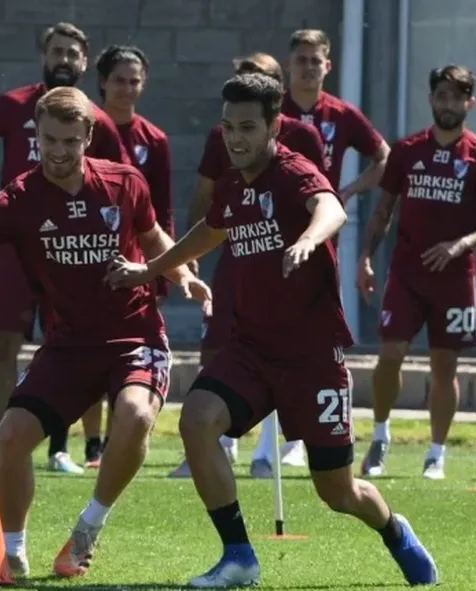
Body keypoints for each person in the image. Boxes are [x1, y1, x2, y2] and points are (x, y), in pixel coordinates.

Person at [106, 73, 437, 588]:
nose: (235, 139)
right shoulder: (235, 182)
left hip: (312, 356)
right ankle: (238, 556)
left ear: (274, 126)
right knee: (196, 420)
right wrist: (150, 269)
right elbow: (210, 231)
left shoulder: (293, 171)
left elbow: (329, 208)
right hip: (252, 349)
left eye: (246, 128)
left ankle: (395, 530)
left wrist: (307, 240)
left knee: (338, 492)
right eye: (227, 127)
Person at [0, 86, 208, 579]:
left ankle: (87, 529)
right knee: (14, 434)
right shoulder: (17, 199)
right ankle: (12, 549)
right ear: (35, 136)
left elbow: (152, 239)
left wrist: (182, 272)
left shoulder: (124, 183)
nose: (57, 151)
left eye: (69, 140)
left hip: (135, 336)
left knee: (134, 414)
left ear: (89, 136)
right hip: (68, 345)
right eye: (47, 139)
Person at [0, 21, 130, 475]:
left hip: (71, 245)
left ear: (85, 62)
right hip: (17, 243)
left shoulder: (95, 119)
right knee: (4, 342)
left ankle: (59, 447)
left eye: (73, 53)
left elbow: (122, 183)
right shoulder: (12, 105)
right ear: (44, 56)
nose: (64, 59)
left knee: (67, 340)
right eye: (56, 51)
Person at [170, 52, 325, 479]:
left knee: (278, 352)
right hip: (237, 255)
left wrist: (309, 240)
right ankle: (220, 440)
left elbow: (321, 200)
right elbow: (207, 198)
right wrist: (188, 256)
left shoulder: (302, 141)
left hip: (288, 264)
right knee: (218, 344)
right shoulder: (223, 138)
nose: (236, 135)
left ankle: (273, 449)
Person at [358, 64, 476, 480]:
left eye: (457, 97)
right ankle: (381, 435)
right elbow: (383, 210)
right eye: (441, 95)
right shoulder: (407, 150)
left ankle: (436, 452)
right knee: (389, 355)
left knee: (445, 365)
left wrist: (463, 243)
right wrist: (366, 258)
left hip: (455, 279)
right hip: (406, 274)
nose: (448, 103)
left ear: (469, 103)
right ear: (431, 100)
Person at [79, 43, 174, 469]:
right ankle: (90, 441)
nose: (127, 88)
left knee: (126, 349)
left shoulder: (154, 140)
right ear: (102, 82)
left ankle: (120, 438)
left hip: (133, 258)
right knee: (81, 344)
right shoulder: (86, 128)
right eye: (119, 79)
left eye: (135, 81)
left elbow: (160, 210)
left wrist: (164, 271)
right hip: (80, 252)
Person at [282, 28, 389, 202]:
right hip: (274, 219)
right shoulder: (271, 109)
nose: (308, 67)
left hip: (322, 218)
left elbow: (385, 158)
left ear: (327, 67)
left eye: (315, 61)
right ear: (288, 64)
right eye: (301, 60)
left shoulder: (341, 113)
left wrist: (347, 192)